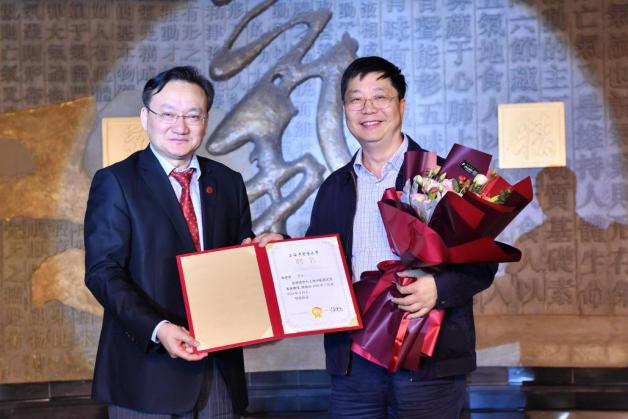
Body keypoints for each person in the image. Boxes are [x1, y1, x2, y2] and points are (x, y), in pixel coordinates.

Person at [306, 56, 499, 418]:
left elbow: (483, 262)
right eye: (356, 99)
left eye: (380, 97)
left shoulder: (443, 175)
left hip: (428, 358)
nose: (368, 109)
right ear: (344, 109)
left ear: (402, 105)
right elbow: (316, 260)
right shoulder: (334, 187)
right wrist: (278, 246)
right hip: (353, 364)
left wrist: (439, 289)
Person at [84, 66, 280, 418]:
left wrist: (269, 252)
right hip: (144, 373)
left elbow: (239, 257)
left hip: (216, 370)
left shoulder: (228, 182)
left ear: (205, 121)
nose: (181, 126)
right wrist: (158, 329)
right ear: (145, 117)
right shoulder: (116, 182)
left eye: (193, 115)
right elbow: (102, 272)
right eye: (168, 114)